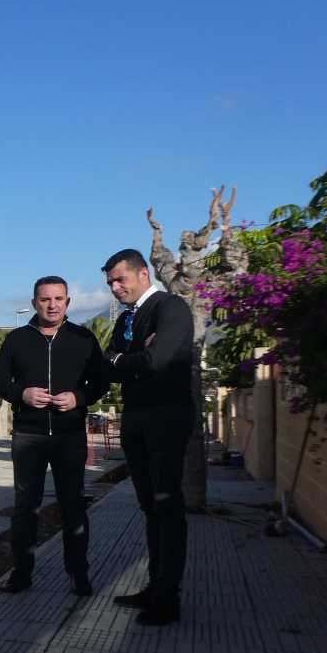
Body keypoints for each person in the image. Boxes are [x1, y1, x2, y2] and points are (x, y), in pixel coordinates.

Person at [0, 276, 106, 595]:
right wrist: (21, 394)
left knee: (73, 506)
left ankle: (79, 573)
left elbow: (101, 382)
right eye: (45, 299)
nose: (52, 305)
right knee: (25, 507)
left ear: (68, 302)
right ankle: (21, 573)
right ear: (34, 303)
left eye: (58, 299)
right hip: (29, 435)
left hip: (69, 437)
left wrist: (78, 398)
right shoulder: (17, 339)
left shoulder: (83, 338)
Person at [102, 248, 195, 626]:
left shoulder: (170, 308)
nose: (114, 287)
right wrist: (131, 358)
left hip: (166, 418)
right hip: (136, 420)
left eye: (120, 279)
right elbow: (106, 363)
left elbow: (156, 361)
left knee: (166, 506)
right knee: (150, 508)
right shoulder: (128, 318)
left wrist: (126, 360)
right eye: (109, 282)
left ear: (143, 273)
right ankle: (155, 586)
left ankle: (167, 598)